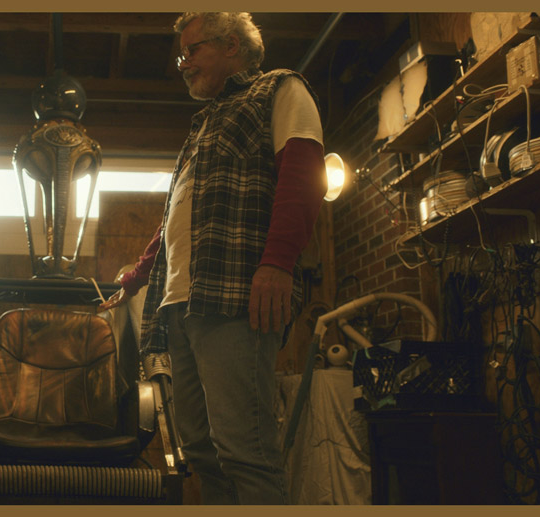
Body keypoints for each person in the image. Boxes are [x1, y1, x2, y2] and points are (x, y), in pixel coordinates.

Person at [98, 13, 326, 504]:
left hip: (236, 294)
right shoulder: (205, 121)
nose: (182, 63)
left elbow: (305, 174)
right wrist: (137, 277)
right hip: (181, 305)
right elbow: (179, 214)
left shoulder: (279, 90)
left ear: (231, 46)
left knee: (245, 449)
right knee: (200, 450)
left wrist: (278, 263)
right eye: (180, 54)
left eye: (192, 50)